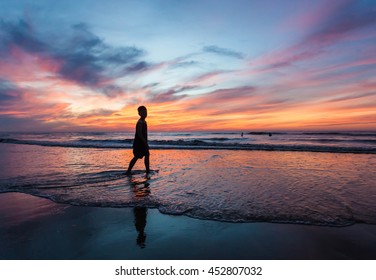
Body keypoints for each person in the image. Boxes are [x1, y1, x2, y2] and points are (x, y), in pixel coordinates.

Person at [126, 106, 150, 175]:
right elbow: (139, 134)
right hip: (139, 143)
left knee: (147, 154)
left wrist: (145, 142)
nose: (145, 114)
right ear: (139, 114)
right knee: (136, 156)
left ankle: (147, 170)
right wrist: (145, 143)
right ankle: (128, 171)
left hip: (143, 142)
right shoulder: (140, 122)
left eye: (146, 112)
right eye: (143, 112)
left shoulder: (144, 122)